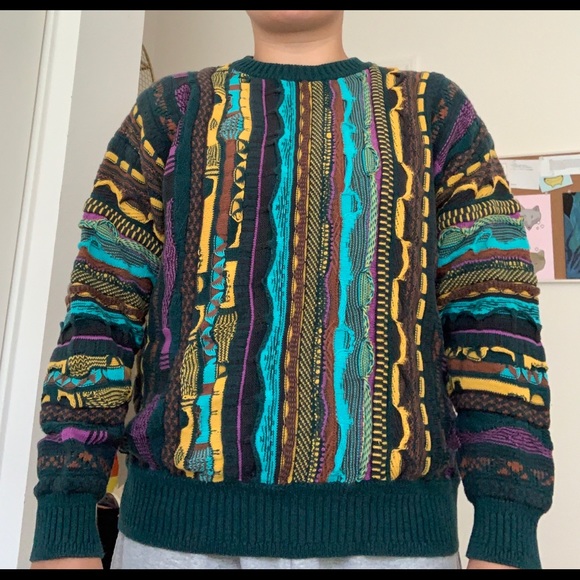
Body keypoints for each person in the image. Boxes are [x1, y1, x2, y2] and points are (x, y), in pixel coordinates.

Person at [29, 10, 554, 570]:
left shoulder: (436, 112)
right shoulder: (168, 113)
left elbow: (497, 323)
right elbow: (98, 318)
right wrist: (65, 520)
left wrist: (507, 533)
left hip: (397, 547)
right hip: (172, 541)